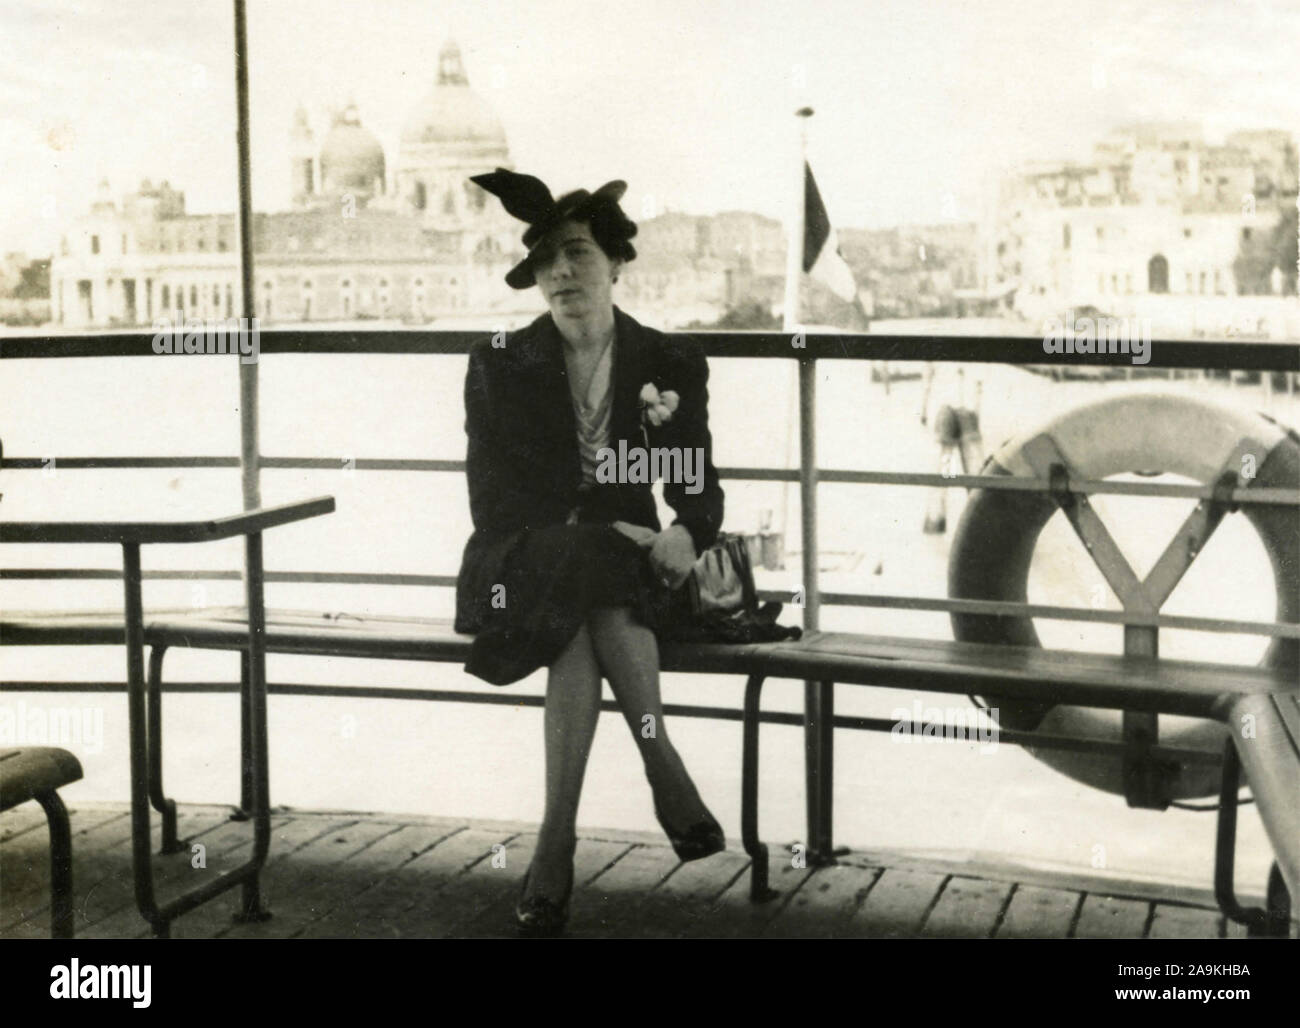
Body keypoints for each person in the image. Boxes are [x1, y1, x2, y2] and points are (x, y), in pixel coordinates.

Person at [454, 168, 727, 937]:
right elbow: (493, 506)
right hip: (514, 566)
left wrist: (682, 532)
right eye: (544, 260)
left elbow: (696, 491)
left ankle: (555, 844)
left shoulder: (669, 362)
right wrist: (609, 532)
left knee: (586, 606)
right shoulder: (500, 361)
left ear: (616, 263)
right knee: (589, 565)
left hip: (624, 578)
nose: (561, 273)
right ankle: (660, 761)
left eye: (576, 252)